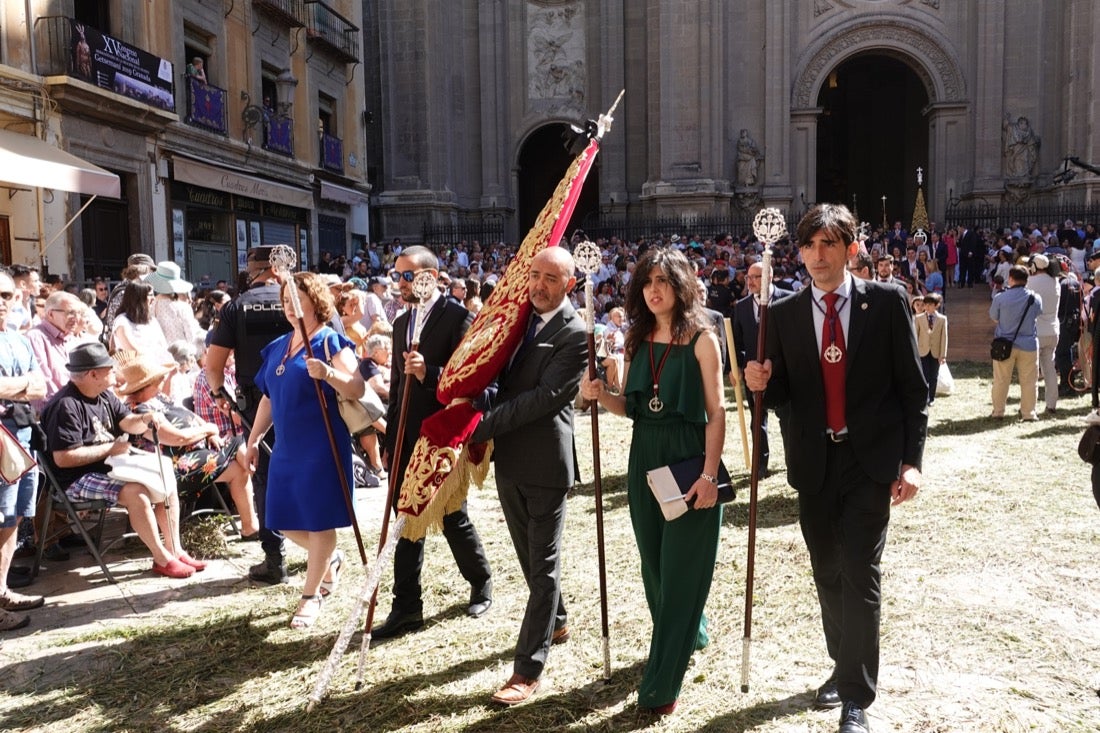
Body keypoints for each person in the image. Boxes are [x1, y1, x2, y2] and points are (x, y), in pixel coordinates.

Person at [744, 204, 926, 733]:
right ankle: (843, 662)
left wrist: (911, 462)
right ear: (798, 252)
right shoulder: (781, 314)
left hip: (870, 462)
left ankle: (855, 697)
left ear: (851, 249)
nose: (817, 256)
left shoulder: (888, 303)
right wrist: (761, 381)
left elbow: (914, 391)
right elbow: (782, 395)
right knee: (826, 569)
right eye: (809, 245)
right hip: (814, 462)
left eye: (828, 244)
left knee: (861, 573)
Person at [581, 246, 725, 716]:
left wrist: (708, 475)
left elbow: (717, 413)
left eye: (663, 281)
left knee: (681, 572)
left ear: (681, 285)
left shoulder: (704, 339)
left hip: (688, 461)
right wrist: (602, 395)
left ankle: (662, 682)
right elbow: (635, 409)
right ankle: (693, 629)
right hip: (644, 459)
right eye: (647, 282)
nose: (654, 290)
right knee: (656, 568)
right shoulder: (637, 339)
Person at [471, 247, 587, 706]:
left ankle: (527, 669)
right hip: (511, 461)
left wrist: (482, 425)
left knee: (543, 566)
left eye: (550, 279)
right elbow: (501, 381)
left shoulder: (574, 333)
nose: (538, 285)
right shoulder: (520, 321)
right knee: (529, 559)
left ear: (568, 285)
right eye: (534, 275)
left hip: (545, 466)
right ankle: (556, 619)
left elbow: (543, 398)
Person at [371, 245, 493, 640]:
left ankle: (481, 581)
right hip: (407, 434)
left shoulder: (460, 319)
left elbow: (475, 381)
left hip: (443, 434)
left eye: (409, 275)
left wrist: (432, 371)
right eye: (398, 276)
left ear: (431, 277)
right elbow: (395, 388)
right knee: (404, 520)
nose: (402, 283)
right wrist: (390, 438)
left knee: (451, 513)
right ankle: (407, 606)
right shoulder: (402, 322)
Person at [244, 272, 361, 628]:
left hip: (321, 445)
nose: (289, 305)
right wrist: (253, 439)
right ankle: (328, 559)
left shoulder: (329, 341)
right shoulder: (280, 345)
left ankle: (311, 596)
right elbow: (268, 397)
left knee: (319, 520)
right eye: (284, 300)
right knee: (280, 519)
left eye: (296, 298)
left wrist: (328, 374)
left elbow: (356, 387)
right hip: (286, 447)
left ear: (314, 300)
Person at [40, 342, 203, 579]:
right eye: (109, 369)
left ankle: (175, 549)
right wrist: (110, 449)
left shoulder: (103, 395)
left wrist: (146, 418)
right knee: (135, 492)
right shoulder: (65, 405)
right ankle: (161, 558)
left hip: (109, 468)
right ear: (92, 374)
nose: (115, 374)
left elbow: (126, 422)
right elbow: (63, 459)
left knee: (165, 477)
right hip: (75, 479)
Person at [205, 246, 294, 584]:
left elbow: (213, 366)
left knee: (265, 477)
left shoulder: (235, 307)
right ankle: (323, 554)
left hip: (257, 405)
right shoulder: (303, 299)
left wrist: (219, 394)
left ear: (252, 270)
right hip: (304, 400)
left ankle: (275, 560)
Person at [114, 351, 259, 539]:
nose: (161, 380)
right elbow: (176, 438)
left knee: (239, 468)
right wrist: (207, 430)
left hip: (195, 454)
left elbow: (190, 415)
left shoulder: (158, 398)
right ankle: (269, 494)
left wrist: (209, 432)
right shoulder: (138, 411)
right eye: (157, 378)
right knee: (239, 442)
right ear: (145, 384)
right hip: (172, 467)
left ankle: (251, 527)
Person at [0, 270, 47, 630]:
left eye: (7, 295)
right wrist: (21, 386)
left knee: (13, 517)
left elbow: (40, 385)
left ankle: (1, 590)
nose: (3, 302)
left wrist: (9, 388)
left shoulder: (19, 340)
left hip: (22, 439)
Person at [733, 260, 791, 475]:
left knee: (787, 420)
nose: (751, 282)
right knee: (757, 421)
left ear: (769, 277)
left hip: (781, 371)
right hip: (753, 373)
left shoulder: (788, 299)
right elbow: (736, 341)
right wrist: (736, 367)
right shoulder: (741, 306)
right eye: (748, 277)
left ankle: (792, 462)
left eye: (756, 277)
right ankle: (760, 465)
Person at [990, 265, 1043, 421]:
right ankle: (1029, 413)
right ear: (1027, 280)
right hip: (1028, 344)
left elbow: (994, 317)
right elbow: (1038, 314)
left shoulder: (1000, 297)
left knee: (1000, 379)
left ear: (1010, 278)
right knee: (1029, 381)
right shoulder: (1035, 298)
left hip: (1004, 344)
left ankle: (998, 411)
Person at [25, 291, 82, 410]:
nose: (76, 318)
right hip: (54, 410)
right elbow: (44, 383)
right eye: (71, 313)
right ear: (50, 314)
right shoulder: (36, 337)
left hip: (76, 406)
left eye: (79, 313)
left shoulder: (72, 338)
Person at [1028, 254, 1061, 414]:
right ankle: (1051, 404)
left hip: (1036, 331)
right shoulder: (1055, 282)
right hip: (1053, 330)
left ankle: (1030, 406)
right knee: (1050, 369)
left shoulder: (1030, 282)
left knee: (1032, 371)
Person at [112, 280, 173, 365]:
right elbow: (132, 351)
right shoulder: (122, 322)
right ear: (138, 298)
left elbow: (164, 347)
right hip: (137, 371)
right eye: (150, 295)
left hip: (159, 369)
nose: (154, 298)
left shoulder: (152, 321)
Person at [914, 292, 948, 406]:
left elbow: (944, 337)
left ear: (936, 305)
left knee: (934, 375)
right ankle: (923, 396)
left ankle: (931, 397)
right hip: (922, 350)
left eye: (930, 305)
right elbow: (915, 335)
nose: (927, 307)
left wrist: (942, 354)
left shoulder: (942, 319)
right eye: (926, 305)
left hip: (935, 351)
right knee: (924, 375)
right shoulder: (918, 318)